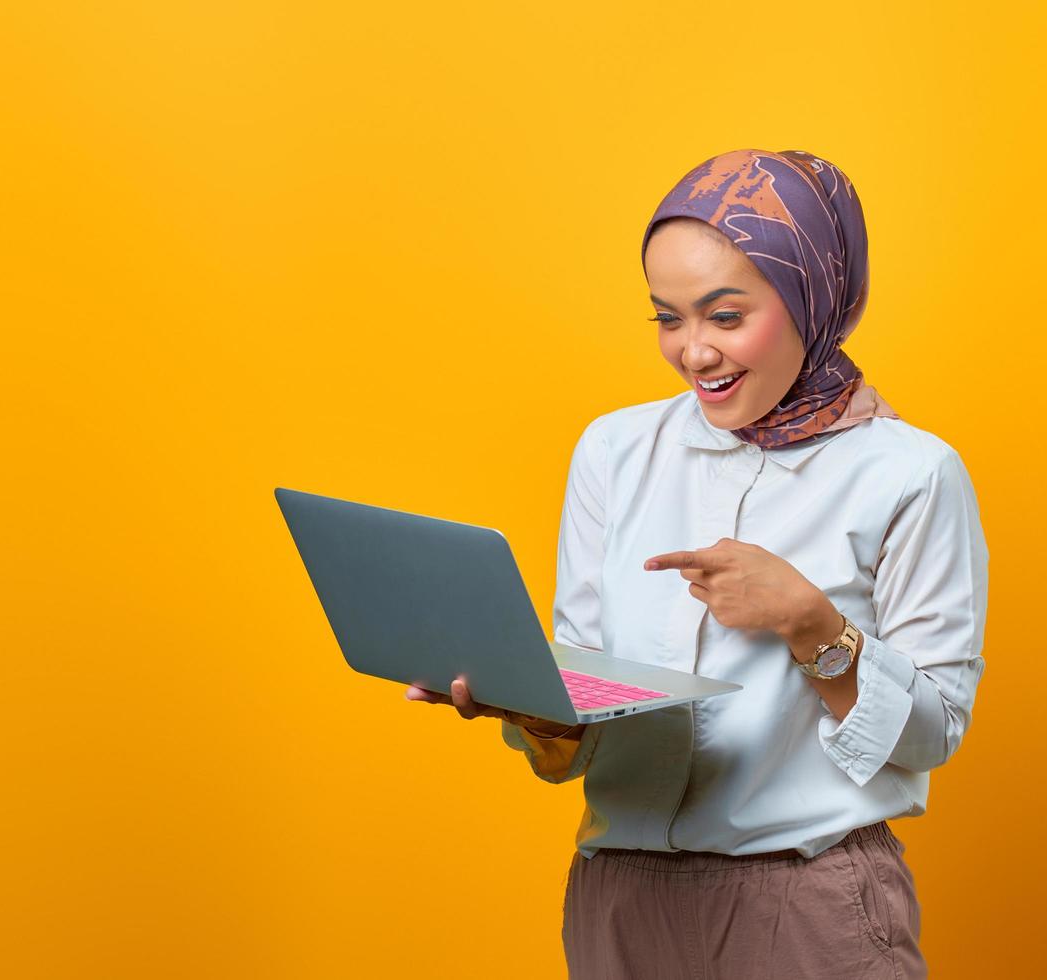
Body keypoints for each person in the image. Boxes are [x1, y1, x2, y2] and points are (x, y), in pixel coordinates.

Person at [406, 148, 989, 979]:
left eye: (724, 315)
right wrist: (529, 704)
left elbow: (932, 735)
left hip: (806, 902)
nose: (694, 353)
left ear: (809, 298)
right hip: (619, 897)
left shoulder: (910, 473)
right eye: (667, 318)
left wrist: (810, 623)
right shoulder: (613, 450)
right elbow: (585, 698)